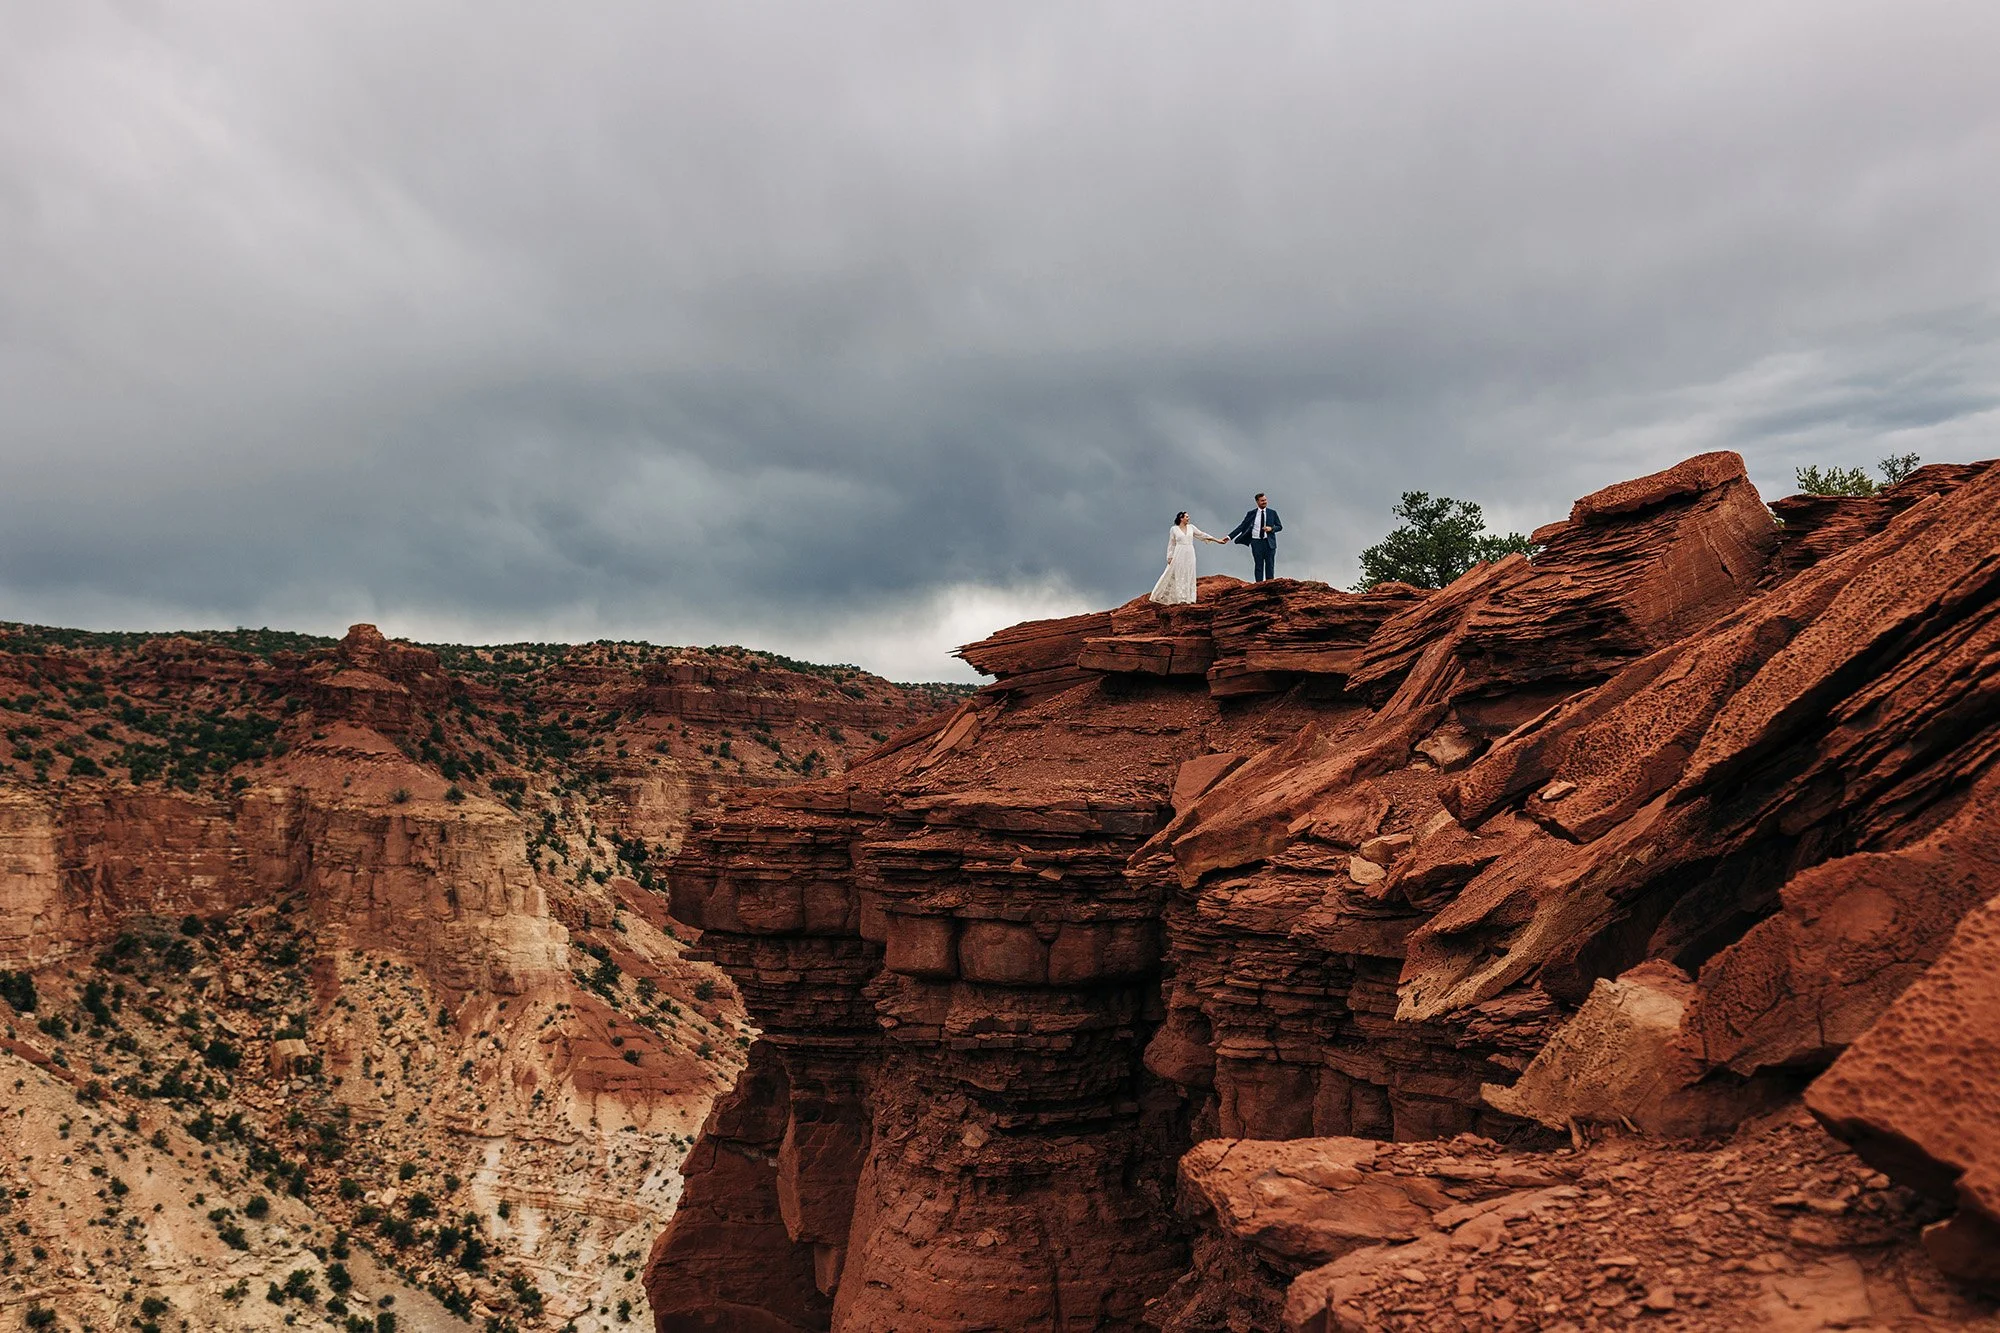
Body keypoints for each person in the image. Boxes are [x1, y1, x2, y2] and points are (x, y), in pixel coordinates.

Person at [1148, 511, 1228, 605]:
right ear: (1181, 518)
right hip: (1179, 552)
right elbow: (1172, 543)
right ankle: (1181, 598)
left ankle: (1190, 598)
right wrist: (1169, 556)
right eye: (1186, 517)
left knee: (1189, 572)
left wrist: (1217, 540)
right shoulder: (1174, 529)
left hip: (1190, 552)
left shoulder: (1191, 527)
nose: (1188, 518)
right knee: (1179, 573)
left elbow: (1202, 535)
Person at [1228, 492, 1283, 581]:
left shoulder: (1272, 513)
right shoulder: (1251, 514)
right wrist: (1229, 537)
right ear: (1257, 502)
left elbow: (1280, 527)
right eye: (1262, 501)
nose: (1264, 502)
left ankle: (1270, 585)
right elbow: (1242, 526)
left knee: (1270, 565)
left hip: (1269, 543)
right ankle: (1259, 585)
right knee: (1258, 565)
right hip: (1256, 542)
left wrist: (1271, 528)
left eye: (1265, 500)